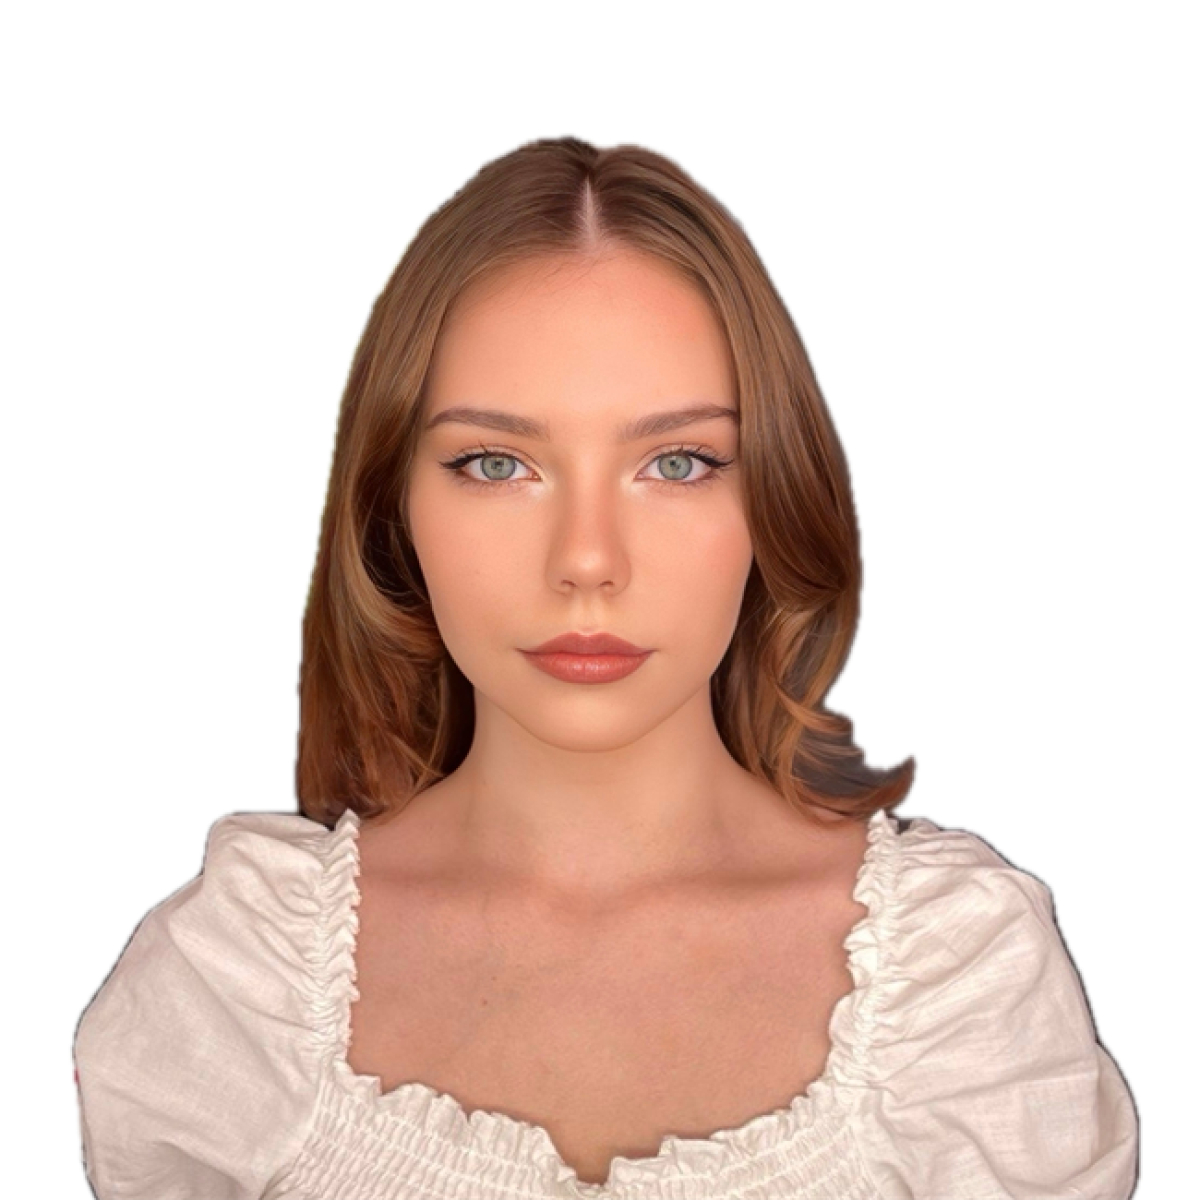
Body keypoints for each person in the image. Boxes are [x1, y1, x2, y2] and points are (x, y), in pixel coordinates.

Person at [72, 136, 1139, 1199]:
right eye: (497, 463)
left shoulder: (962, 989)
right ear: (392, 506)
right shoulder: (230, 990)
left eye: (677, 462)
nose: (586, 559)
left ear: (773, 497)